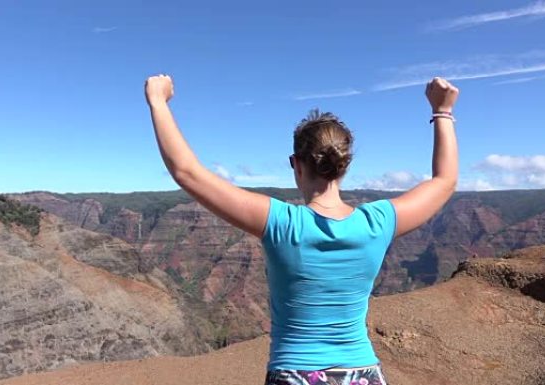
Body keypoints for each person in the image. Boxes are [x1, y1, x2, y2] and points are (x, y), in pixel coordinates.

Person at [145, 74, 459, 385]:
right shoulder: (377, 222)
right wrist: (442, 112)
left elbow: (187, 172)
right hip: (363, 374)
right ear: (345, 166)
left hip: (294, 374)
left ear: (296, 163)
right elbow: (444, 181)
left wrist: (158, 101)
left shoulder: (282, 223)